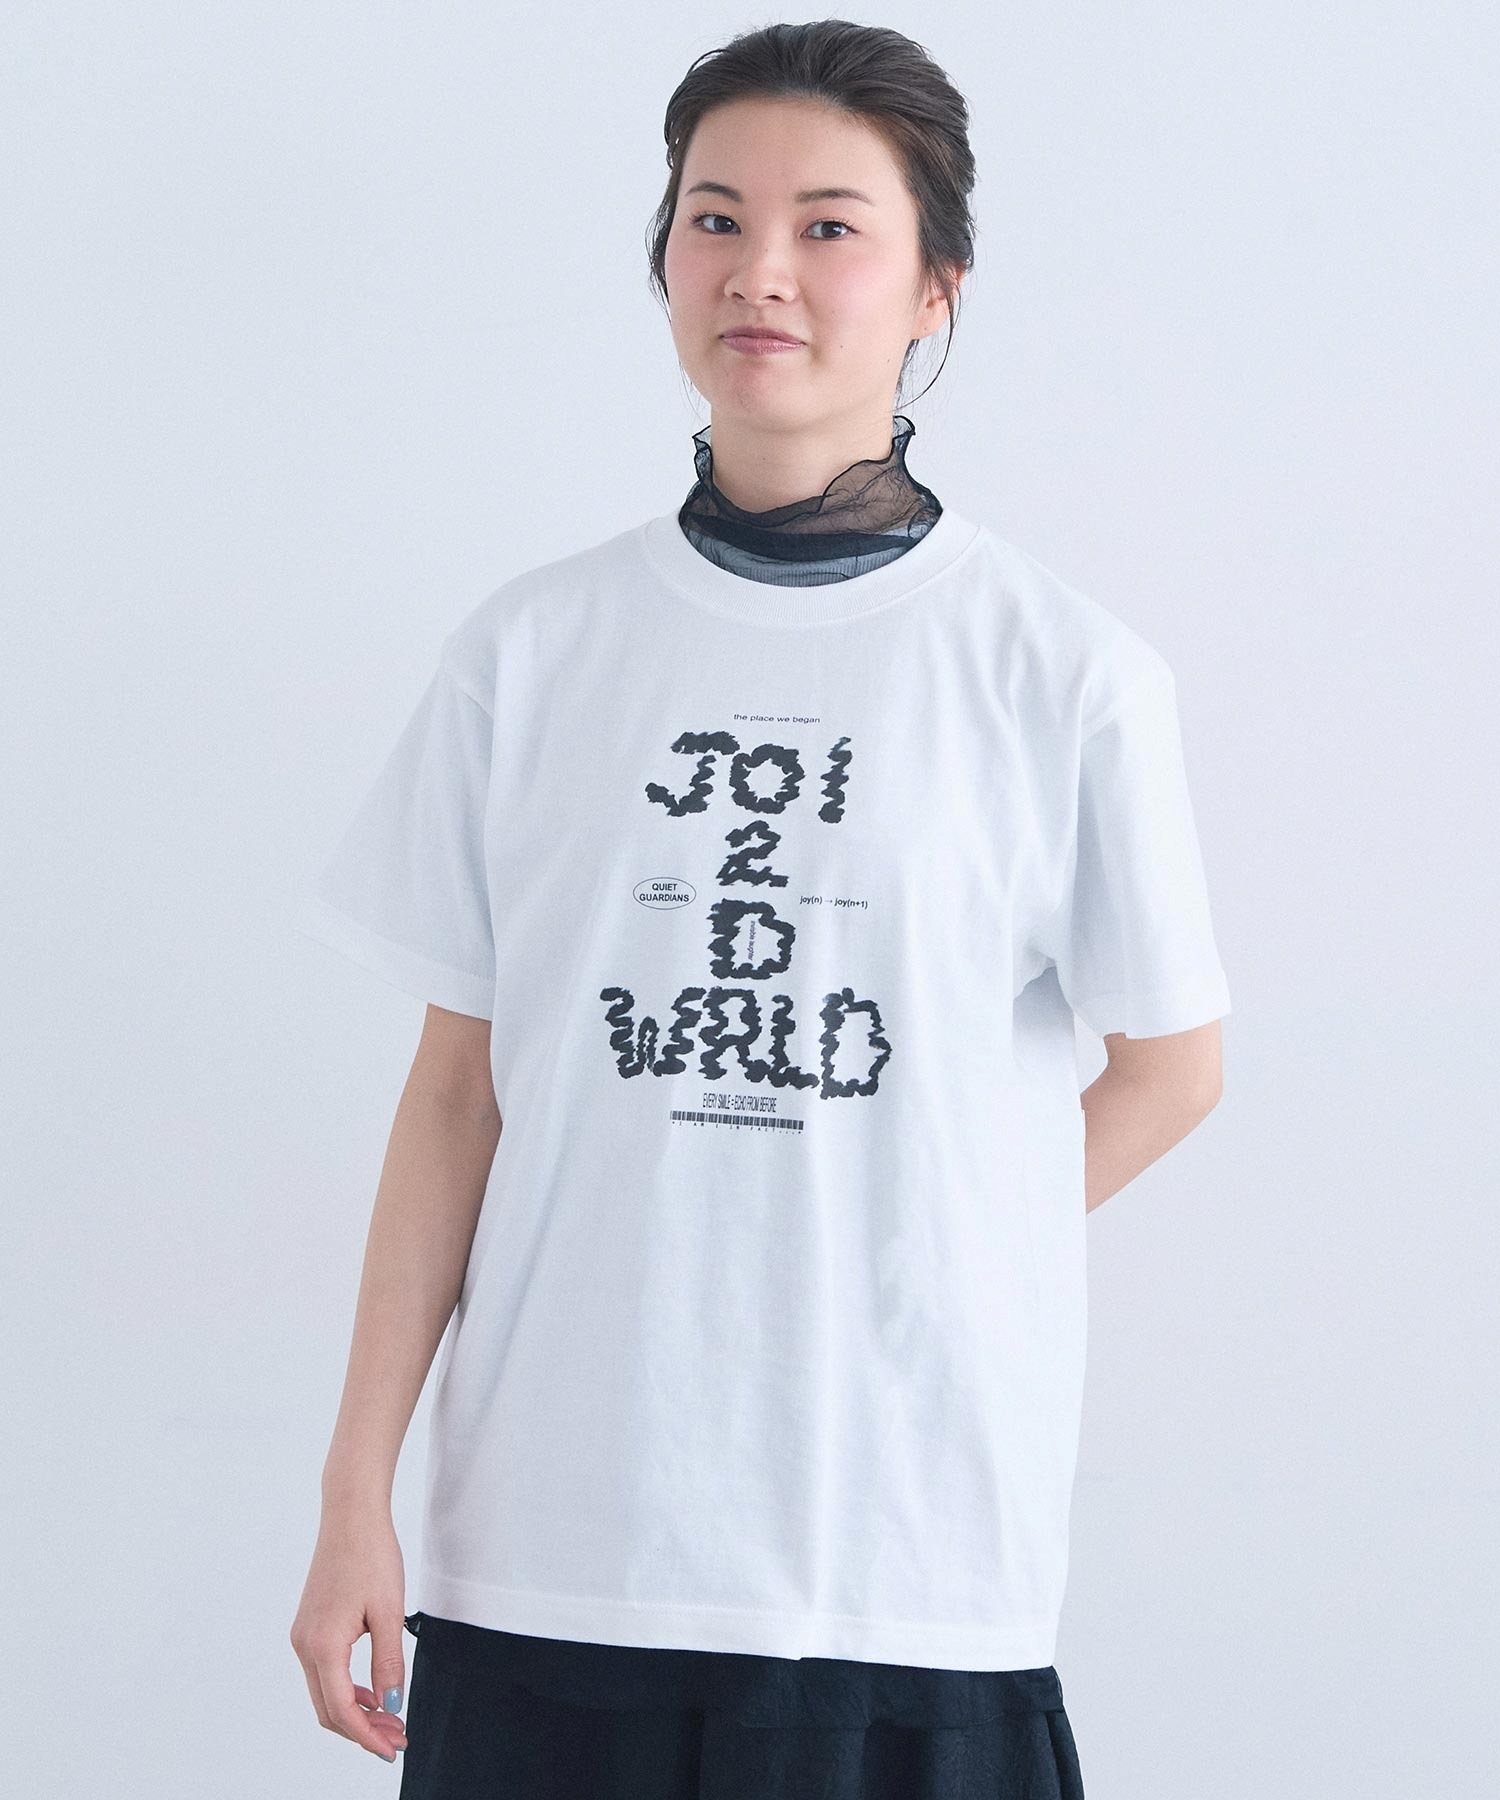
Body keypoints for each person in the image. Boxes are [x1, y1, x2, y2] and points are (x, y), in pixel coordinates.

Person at [288, 21, 1231, 1799]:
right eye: (714, 218)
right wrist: (356, 1495)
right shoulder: (533, 653)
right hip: (550, 1560)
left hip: (902, 1562)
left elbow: (1176, 1066)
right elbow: (456, 1095)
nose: (761, 271)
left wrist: (926, 1229)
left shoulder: (1061, 671)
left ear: (937, 287)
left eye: (830, 226)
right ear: (663, 256)